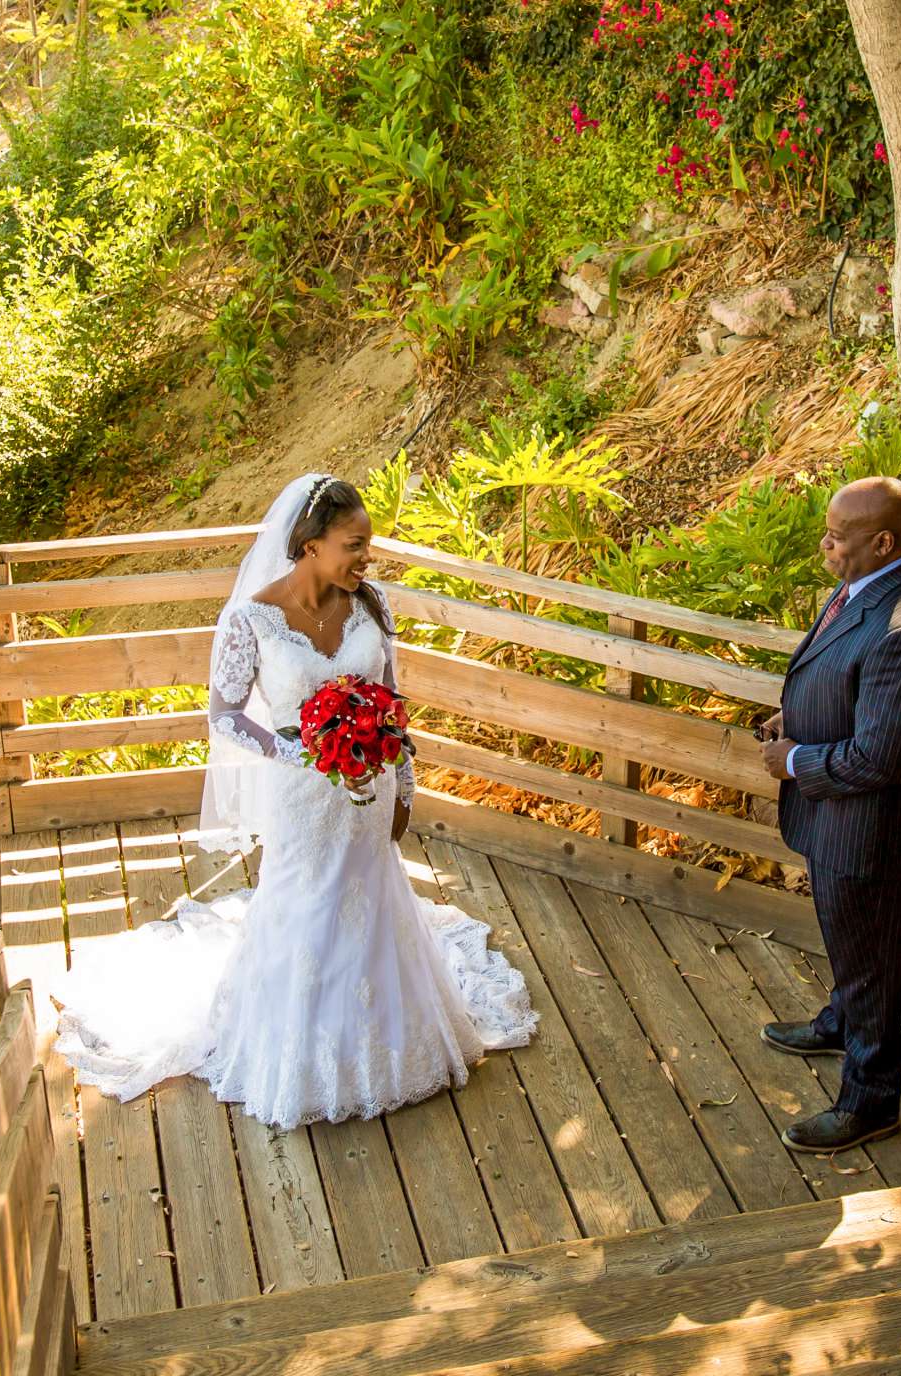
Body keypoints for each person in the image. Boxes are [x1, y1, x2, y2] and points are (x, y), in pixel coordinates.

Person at [50, 472, 537, 1128]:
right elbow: (223, 715)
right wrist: (299, 754)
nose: (366, 557)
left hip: (372, 791)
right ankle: (305, 1060)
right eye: (353, 544)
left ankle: (393, 1044)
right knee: (307, 910)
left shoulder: (373, 603)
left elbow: (393, 700)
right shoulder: (252, 619)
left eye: (368, 544)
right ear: (308, 545)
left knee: (373, 903)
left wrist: (406, 789)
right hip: (303, 798)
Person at [757, 475, 901, 1153]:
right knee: (850, 945)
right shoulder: (866, 584)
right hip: (838, 823)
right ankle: (841, 1021)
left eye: (837, 537)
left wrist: (791, 760)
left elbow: (877, 760)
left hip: (874, 833)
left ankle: (871, 1099)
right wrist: (798, 717)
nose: (825, 545)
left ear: (883, 542)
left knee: (876, 964)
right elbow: (848, 681)